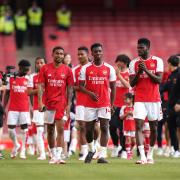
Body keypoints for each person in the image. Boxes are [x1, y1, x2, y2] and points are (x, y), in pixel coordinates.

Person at [79, 43, 116, 163]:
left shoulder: (109, 68)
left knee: (105, 127)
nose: (98, 53)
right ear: (92, 53)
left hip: (104, 103)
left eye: (100, 51)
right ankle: (91, 149)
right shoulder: (85, 68)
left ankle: (102, 155)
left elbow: (113, 87)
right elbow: (80, 86)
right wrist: (89, 93)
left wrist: (111, 104)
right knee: (88, 130)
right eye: (96, 51)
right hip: (89, 103)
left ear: (102, 52)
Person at [129, 38, 164, 164]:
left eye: (141, 48)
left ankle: (150, 155)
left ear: (148, 48)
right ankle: (142, 156)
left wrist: (146, 71)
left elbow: (159, 80)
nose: (139, 50)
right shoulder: (133, 63)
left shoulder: (157, 61)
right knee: (138, 125)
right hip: (139, 99)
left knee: (154, 127)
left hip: (154, 99)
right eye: (138, 48)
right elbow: (131, 83)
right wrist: (139, 72)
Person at [38, 46, 74, 164]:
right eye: (57, 53)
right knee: (50, 130)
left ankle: (59, 155)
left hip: (61, 104)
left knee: (60, 129)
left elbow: (70, 89)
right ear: (53, 54)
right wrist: (40, 102)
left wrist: (68, 105)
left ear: (63, 56)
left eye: (61, 54)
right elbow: (40, 86)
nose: (59, 55)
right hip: (48, 104)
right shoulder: (45, 68)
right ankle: (53, 155)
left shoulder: (67, 70)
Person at [3, 59, 33, 159]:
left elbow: (30, 94)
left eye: (28, 70)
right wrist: (3, 107)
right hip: (13, 108)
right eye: (25, 69)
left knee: (24, 131)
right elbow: (7, 93)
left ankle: (23, 150)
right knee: (11, 130)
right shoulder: (10, 78)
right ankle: (16, 144)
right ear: (20, 67)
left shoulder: (29, 79)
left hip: (24, 108)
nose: (27, 71)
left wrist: (33, 107)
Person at [110, 54, 130, 158]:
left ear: (124, 62)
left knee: (123, 129)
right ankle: (115, 145)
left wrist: (119, 76)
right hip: (114, 105)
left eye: (119, 61)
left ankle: (123, 149)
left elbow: (128, 85)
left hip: (125, 106)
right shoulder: (113, 72)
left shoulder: (129, 73)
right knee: (112, 127)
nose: (117, 63)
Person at [72, 46, 90, 160]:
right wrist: (82, 87)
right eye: (78, 54)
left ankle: (95, 147)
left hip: (94, 102)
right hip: (80, 102)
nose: (79, 56)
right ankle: (84, 151)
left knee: (94, 127)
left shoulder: (93, 67)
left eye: (82, 54)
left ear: (87, 55)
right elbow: (72, 86)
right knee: (82, 127)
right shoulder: (75, 70)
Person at [162, 55, 180, 157]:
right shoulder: (171, 75)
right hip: (171, 106)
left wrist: (179, 102)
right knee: (171, 127)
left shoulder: (179, 74)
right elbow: (165, 87)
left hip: (177, 105)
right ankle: (176, 149)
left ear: (169, 63)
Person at [29, 57, 46, 160]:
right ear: (35, 65)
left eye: (42, 62)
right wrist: (40, 90)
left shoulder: (50, 76)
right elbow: (29, 92)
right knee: (39, 131)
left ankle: (53, 152)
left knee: (52, 130)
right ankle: (42, 153)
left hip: (50, 106)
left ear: (45, 64)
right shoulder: (32, 77)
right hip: (38, 107)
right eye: (38, 63)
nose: (40, 64)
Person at [120, 93, 135, 160]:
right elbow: (121, 117)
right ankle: (128, 154)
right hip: (126, 126)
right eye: (124, 99)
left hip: (134, 127)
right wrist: (127, 114)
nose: (125, 101)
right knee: (127, 139)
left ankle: (130, 151)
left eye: (126, 99)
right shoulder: (123, 107)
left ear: (131, 99)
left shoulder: (135, 107)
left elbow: (138, 116)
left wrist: (133, 114)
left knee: (133, 141)